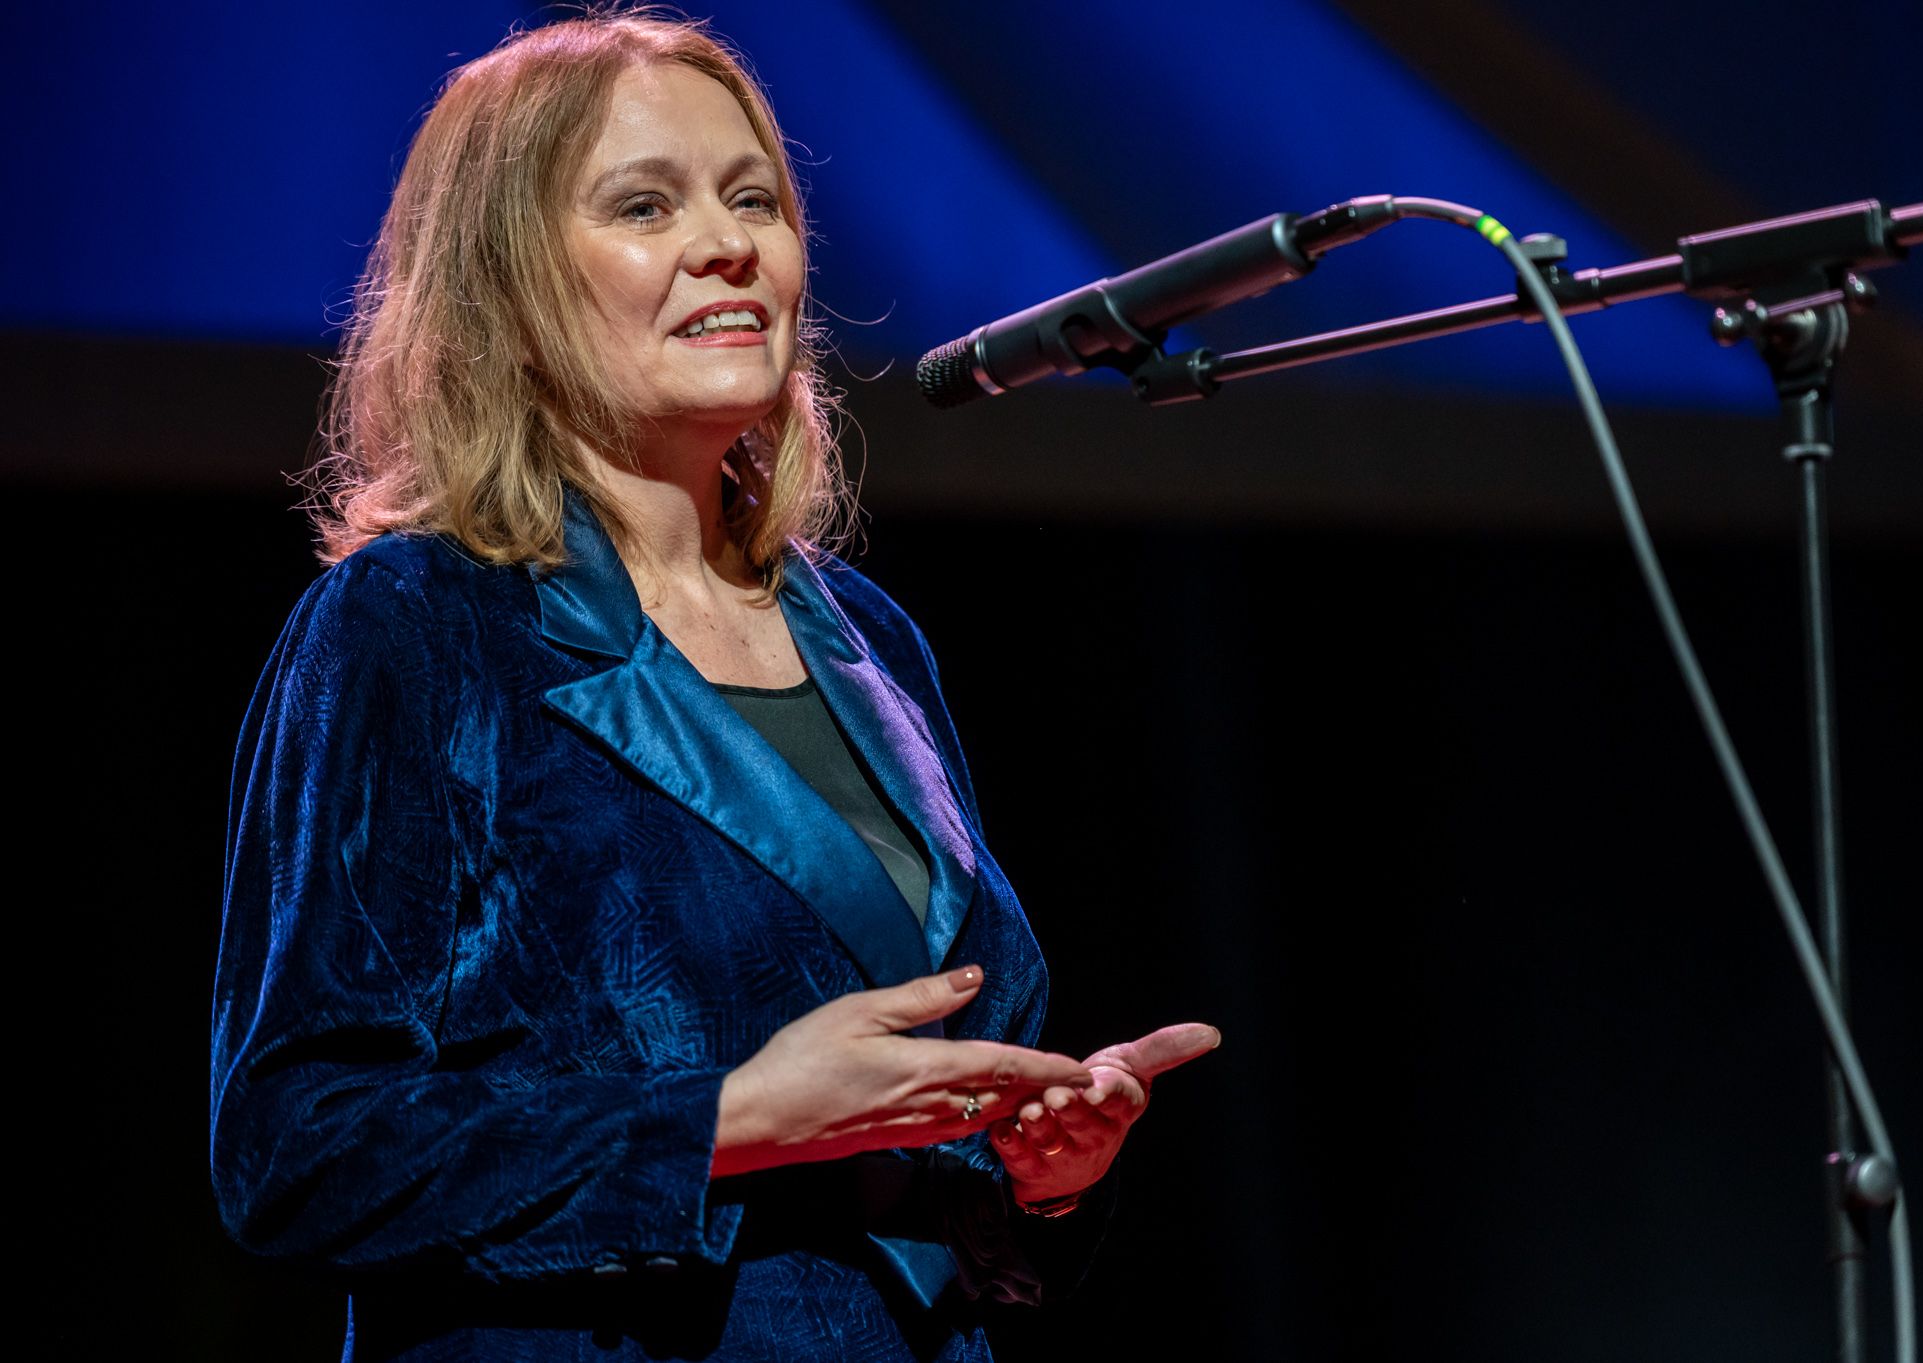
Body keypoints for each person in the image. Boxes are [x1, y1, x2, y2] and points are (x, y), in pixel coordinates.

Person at [207, 7, 1218, 1361]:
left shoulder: (868, 638)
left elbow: (916, 1149)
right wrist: (728, 1119)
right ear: (506, 288)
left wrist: (1040, 1172)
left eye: (755, 199)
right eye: (645, 205)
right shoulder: (417, 624)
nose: (730, 242)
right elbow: (296, 1148)